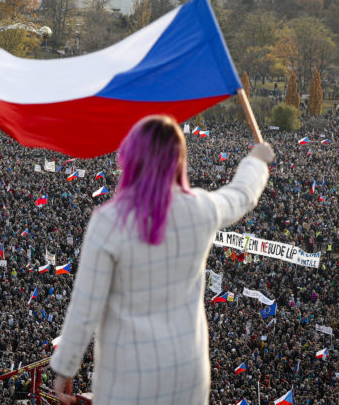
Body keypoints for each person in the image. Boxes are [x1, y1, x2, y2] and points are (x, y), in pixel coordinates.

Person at [51, 115, 275, 405]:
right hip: (187, 374)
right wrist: (256, 161)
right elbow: (241, 195)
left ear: (131, 157)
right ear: (179, 160)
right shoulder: (201, 208)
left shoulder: (108, 221)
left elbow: (85, 305)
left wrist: (66, 367)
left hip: (126, 376)